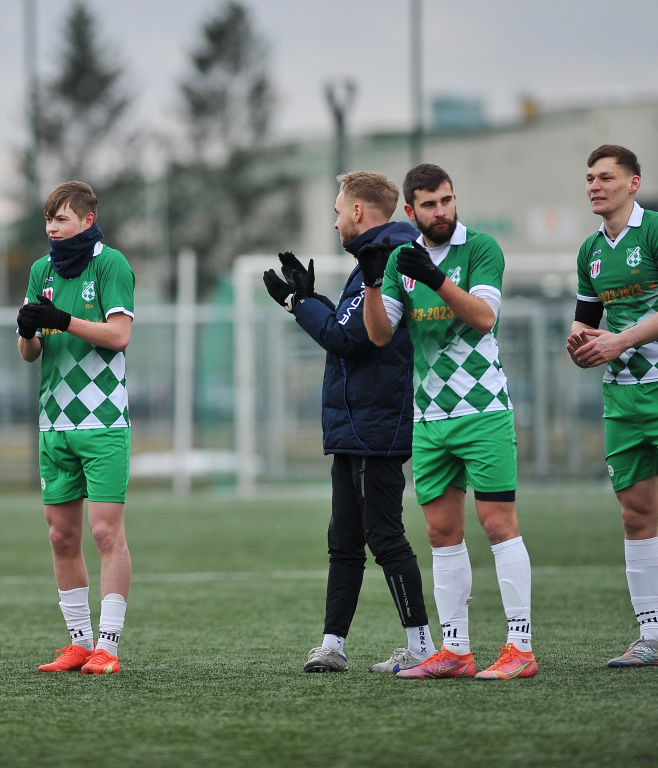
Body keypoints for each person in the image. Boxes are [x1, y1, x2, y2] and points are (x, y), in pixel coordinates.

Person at [360, 163, 537, 680]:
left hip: (484, 411)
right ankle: (455, 651)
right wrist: (373, 282)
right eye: (430, 204)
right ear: (410, 210)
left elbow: (483, 318)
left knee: (498, 525)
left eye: (447, 200)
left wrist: (435, 278)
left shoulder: (480, 249)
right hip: (430, 417)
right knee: (441, 532)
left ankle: (521, 649)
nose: (441, 211)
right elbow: (379, 335)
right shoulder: (401, 261)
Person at [262, 171, 436, 674]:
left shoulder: (389, 257)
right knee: (344, 541)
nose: (336, 221)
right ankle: (332, 645)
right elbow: (347, 325)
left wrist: (299, 304)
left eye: (338, 211)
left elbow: (349, 339)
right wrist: (314, 301)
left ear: (359, 211)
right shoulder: (371, 260)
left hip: (373, 425)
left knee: (384, 536)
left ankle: (423, 647)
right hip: (357, 424)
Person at [17, 181, 134, 675]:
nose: (52, 227)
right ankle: (80, 644)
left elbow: (119, 336)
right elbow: (29, 353)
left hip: (103, 422)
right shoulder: (40, 270)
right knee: (61, 537)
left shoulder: (111, 264)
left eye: (61, 219)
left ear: (87, 220)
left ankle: (108, 647)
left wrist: (61, 319)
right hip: (54, 423)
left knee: (105, 533)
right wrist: (28, 330)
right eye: (48, 219)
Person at [567, 144, 658, 667]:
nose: (594, 186)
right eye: (589, 178)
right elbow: (585, 319)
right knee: (635, 513)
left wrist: (619, 340)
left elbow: (621, 332)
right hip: (622, 397)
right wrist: (580, 344)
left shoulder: (654, 232)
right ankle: (651, 634)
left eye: (605, 177)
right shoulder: (590, 251)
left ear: (633, 183)